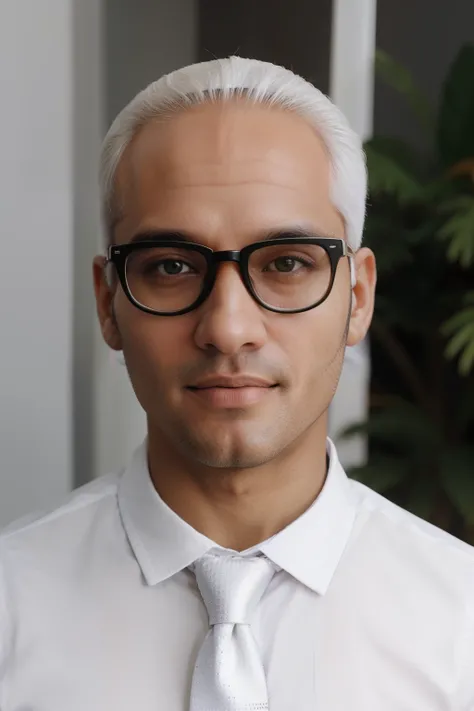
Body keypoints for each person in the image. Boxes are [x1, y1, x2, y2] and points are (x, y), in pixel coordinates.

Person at [0, 56, 473, 711]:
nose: (227, 328)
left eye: (286, 263)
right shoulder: (8, 609)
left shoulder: (462, 628)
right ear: (109, 301)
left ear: (358, 296)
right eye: (170, 265)